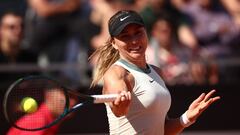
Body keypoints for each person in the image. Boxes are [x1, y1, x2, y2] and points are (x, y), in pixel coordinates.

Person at [89, 10, 220, 134]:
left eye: (138, 33)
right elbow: (118, 111)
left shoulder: (157, 72)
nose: (134, 41)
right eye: (125, 36)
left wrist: (186, 118)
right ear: (114, 43)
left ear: (146, 33)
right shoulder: (116, 73)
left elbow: (164, 130)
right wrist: (120, 105)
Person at [7, 87, 78, 135]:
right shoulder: (39, 121)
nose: (73, 101)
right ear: (49, 95)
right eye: (68, 95)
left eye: (75, 96)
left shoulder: (50, 122)